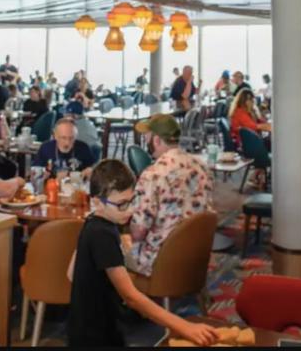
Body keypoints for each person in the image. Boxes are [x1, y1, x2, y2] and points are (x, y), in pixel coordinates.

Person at [66, 159, 218, 347]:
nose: (130, 210)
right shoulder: (103, 234)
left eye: (132, 201)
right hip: (96, 335)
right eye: (122, 204)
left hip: (86, 327)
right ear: (97, 202)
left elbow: (71, 274)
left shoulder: (94, 222)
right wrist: (183, 326)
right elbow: (131, 296)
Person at [129, 114, 213, 276]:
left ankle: (126, 299)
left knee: (109, 249)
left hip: (160, 261)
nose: (145, 140)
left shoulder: (152, 175)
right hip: (197, 254)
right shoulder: (202, 166)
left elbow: (138, 233)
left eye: (147, 136)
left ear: (157, 140)